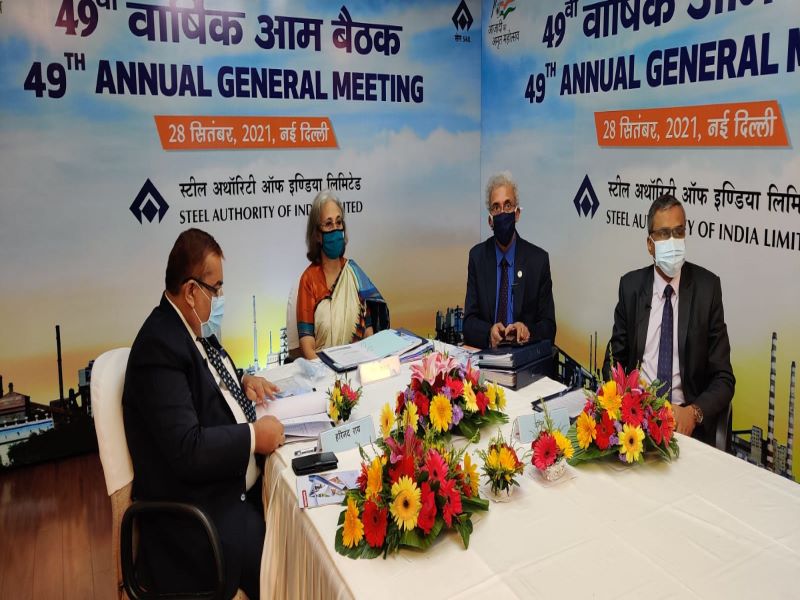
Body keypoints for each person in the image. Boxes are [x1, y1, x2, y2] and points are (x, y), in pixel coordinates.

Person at [122, 228, 284, 599]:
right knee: (290, 561)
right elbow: (188, 448)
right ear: (192, 291)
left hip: (230, 495)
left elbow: (208, 382)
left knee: (300, 521)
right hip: (199, 527)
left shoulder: (192, 331)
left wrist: (243, 380)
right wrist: (253, 437)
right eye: (216, 289)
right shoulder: (158, 347)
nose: (220, 298)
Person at [603, 194, 735, 446]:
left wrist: (693, 413)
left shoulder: (707, 289)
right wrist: (627, 406)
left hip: (686, 424)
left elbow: (724, 378)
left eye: (678, 232)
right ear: (650, 244)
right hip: (636, 421)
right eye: (664, 234)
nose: (672, 241)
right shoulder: (631, 287)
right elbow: (613, 363)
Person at [463, 171, 556, 348]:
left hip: (523, 357)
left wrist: (528, 331)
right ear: (490, 220)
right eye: (496, 207)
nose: (502, 212)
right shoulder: (477, 257)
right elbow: (468, 323)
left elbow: (549, 327)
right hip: (488, 356)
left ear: (517, 213)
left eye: (507, 205)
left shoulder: (538, 261)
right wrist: (489, 333)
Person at [296, 189, 388, 359]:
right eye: (328, 224)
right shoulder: (308, 280)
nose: (335, 229)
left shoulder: (354, 274)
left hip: (358, 366)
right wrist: (329, 372)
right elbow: (307, 346)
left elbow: (368, 332)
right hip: (323, 369)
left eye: (339, 223)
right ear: (317, 235)